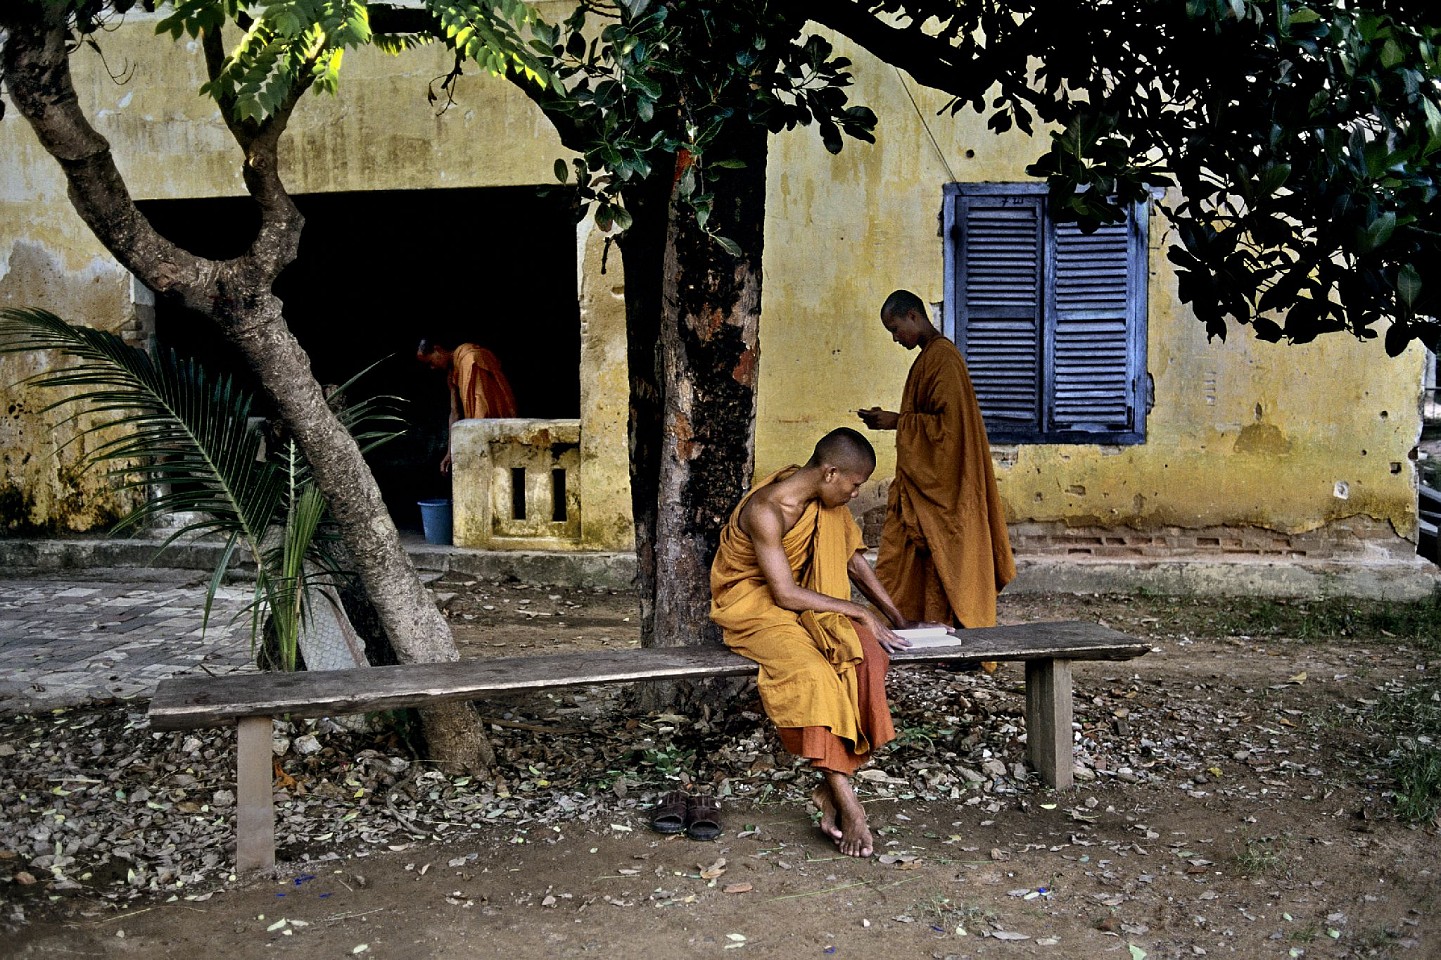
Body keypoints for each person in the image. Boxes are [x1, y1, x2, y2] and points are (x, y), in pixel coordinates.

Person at [710, 427, 924, 858]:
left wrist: (901, 620)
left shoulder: (822, 504)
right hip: (754, 607)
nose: (855, 493)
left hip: (804, 601)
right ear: (830, 473)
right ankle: (845, 799)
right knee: (811, 673)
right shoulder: (767, 509)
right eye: (855, 484)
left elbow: (852, 561)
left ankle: (829, 787)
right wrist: (859, 611)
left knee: (864, 653)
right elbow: (783, 594)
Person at [858, 289, 1016, 631]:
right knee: (916, 554)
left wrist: (897, 421)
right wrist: (897, 420)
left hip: (948, 485)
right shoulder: (929, 357)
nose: (896, 338)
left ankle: (957, 631)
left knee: (949, 555)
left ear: (914, 316)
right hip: (927, 483)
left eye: (896, 328)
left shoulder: (943, 358)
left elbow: (951, 430)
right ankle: (919, 626)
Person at [416, 339, 518, 473]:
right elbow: (454, 412)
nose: (432, 368)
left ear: (438, 349)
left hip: (492, 429)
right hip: (480, 431)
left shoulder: (471, 359)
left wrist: (477, 444)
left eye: (431, 362)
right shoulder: (452, 373)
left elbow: (482, 405)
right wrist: (450, 452)